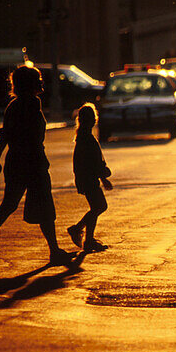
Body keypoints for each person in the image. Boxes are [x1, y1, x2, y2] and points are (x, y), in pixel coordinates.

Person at [0, 65, 72, 265]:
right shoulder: (33, 103)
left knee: (8, 205)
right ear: (30, 84)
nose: (41, 83)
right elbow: (20, 134)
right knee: (43, 205)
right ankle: (54, 251)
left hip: (16, 161)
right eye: (38, 80)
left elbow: (5, 135)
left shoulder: (13, 106)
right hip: (32, 161)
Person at [67, 103, 112, 253]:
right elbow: (94, 163)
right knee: (100, 206)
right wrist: (104, 176)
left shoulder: (83, 137)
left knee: (96, 207)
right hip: (88, 178)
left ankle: (89, 240)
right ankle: (78, 229)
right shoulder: (87, 139)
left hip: (86, 178)